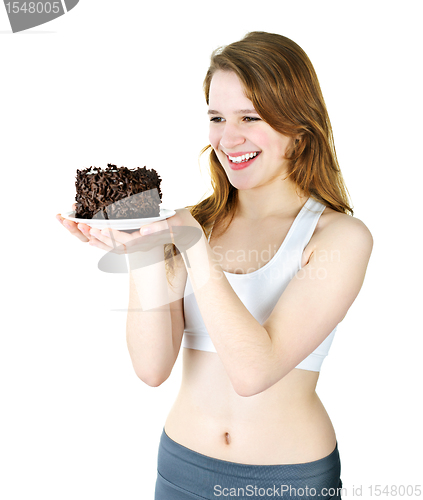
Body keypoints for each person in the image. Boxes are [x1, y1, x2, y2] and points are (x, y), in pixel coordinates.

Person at [57, 31, 373, 500]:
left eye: (250, 117)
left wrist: (194, 248)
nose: (229, 137)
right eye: (217, 117)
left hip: (289, 482)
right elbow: (151, 368)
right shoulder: (193, 224)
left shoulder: (339, 238)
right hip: (181, 468)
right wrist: (141, 250)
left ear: (299, 128)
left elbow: (254, 372)